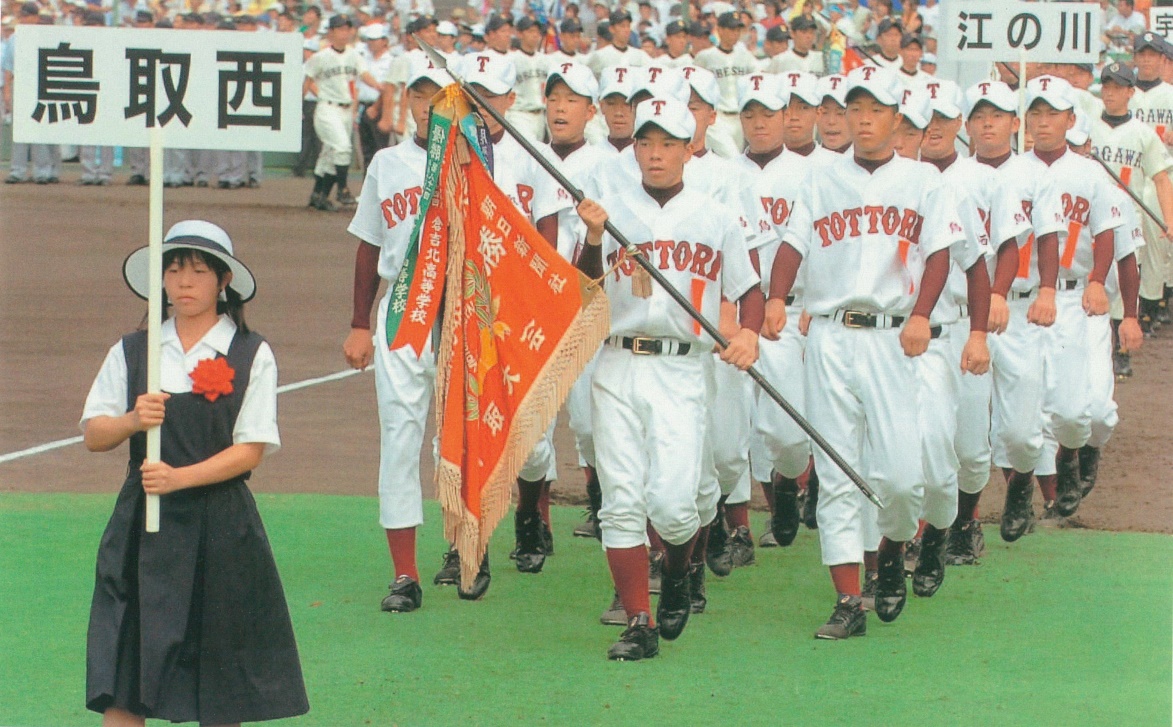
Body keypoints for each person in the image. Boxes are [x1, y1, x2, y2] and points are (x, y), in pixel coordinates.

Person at [763, 65, 964, 638]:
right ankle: (849, 599)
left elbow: (941, 254)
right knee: (838, 468)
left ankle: (895, 545)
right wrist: (777, 297)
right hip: (829, 332)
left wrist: (922, 314)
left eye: (875, 109)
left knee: (901, 476)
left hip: (891, 335)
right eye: (855, 109)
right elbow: (793, 242)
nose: (865, 119)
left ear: (897, 119)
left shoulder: (925, 181)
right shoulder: (820, 178)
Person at [81, 220, 309, 726]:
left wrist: (179, 479)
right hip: (142, 524)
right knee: (124, 672)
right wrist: (131, 420)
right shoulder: (134, 350)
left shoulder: (252, 353)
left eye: (199, 271)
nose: (185, 282)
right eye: (175, 269)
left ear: (223, 281)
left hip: (221, 528)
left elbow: (250, 449)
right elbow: (94, 433)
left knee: (220, 678)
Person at [576, 94, 763, 661]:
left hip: (684, 366)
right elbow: (580, 290)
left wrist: (748, 333)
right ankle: (639, 618)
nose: (655, 155)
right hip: (615, 360)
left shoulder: (714, 215)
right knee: (623, 501)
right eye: (646, 143)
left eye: (668, 144)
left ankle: (680, 570)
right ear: (635, 147)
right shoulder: (605, 209)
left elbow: (748, 290)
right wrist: (590, 238)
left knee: (677, 505)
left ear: (688, 149)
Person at [344, 59, 458, 611]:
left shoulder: (481, 164)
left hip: (463, 313)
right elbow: (368, 245)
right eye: (420, 95)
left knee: (458, 441)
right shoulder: (387, 164)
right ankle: (405, 573)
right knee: (400, 437)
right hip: (401, 312)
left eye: (439, 95)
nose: (428, 104)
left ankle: (464, 551)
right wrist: (359, 323)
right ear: (407, 101)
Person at [1020, 75, 1129, 524]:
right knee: (1042, 405)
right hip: (1027, 297)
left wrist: (1098, 281)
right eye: (1036, 113)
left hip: (1079, 295)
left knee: (1097, 414)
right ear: (1026, 120)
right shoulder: (1012, 169)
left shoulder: (1089, 173)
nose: (1044, 123)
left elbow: (1106, 233)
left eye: (1053, 114)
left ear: (1070, 119)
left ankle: (1086, 450)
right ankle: (1058, 471)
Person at [539, 62, 613, 541]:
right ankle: (536, 523)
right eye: (554, 97)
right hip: (536, 304)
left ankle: (601, 500)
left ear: (591, 110)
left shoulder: (610, 165)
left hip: (587, 302)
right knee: (536, 424)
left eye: (572, 99)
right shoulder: (527, 157)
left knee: (588, 421)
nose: (560, 107)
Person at [1128, 32, 1173, 340]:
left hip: (1164, 173)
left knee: (1158, 243)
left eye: (1151, 54)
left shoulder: (1170, 93)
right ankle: (1134, 305)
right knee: (1133, 245)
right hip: (1130, 173)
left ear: (1161, 59)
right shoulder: (1125, 92)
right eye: (1141, 54)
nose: (1146, 59)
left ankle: (1151, 303)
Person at [305, 13, 363, 211]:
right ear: (330, 32)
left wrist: (380, 89)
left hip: (346, 109)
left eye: (347, 29)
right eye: (340, 29)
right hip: (327, 107)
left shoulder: (353, 55)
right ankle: (342, 188)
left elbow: (357, 81)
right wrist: (299, 109)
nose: (344, 33)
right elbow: (306, 81)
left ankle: (318, 195)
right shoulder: (320, 57)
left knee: (329, 154)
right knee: (342, 148)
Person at [693, 11, 758, 151]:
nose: (735, 33)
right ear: (720, 30)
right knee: (731, 156)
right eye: (731, 29)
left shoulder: (745, 56)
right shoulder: (705, 56)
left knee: (738, 157)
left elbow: (758, 78)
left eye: (737, 29)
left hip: (740, 116)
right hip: (718, 117)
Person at [508, 16, 550, 140]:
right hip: (519, 114)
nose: (535, 35)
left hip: (542, 116)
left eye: (537, 32)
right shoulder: (511, 59)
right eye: (530, 31)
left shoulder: (546, 60)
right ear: (520, 34)